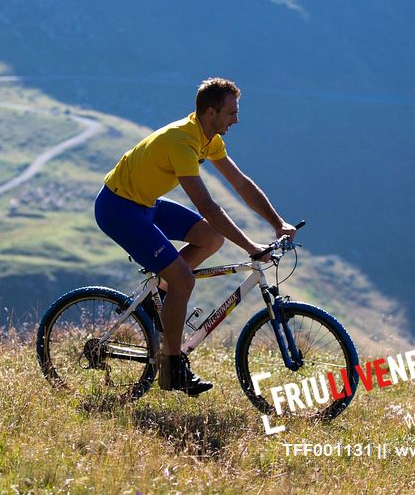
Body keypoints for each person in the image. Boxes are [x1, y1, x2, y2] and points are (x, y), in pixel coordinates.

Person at [95, 77, 298, 395]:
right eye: (231, 112)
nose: (236, 119)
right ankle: (171, 368)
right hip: (119, 209)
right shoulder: (183, 142)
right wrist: (250, 247)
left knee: (212, 238)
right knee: (184, 281)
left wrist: (277, 223)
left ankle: (157, 294)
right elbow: (206, 203)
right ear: (210, 112)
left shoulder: (208, 138)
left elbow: (240, 183)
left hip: (146, 203)